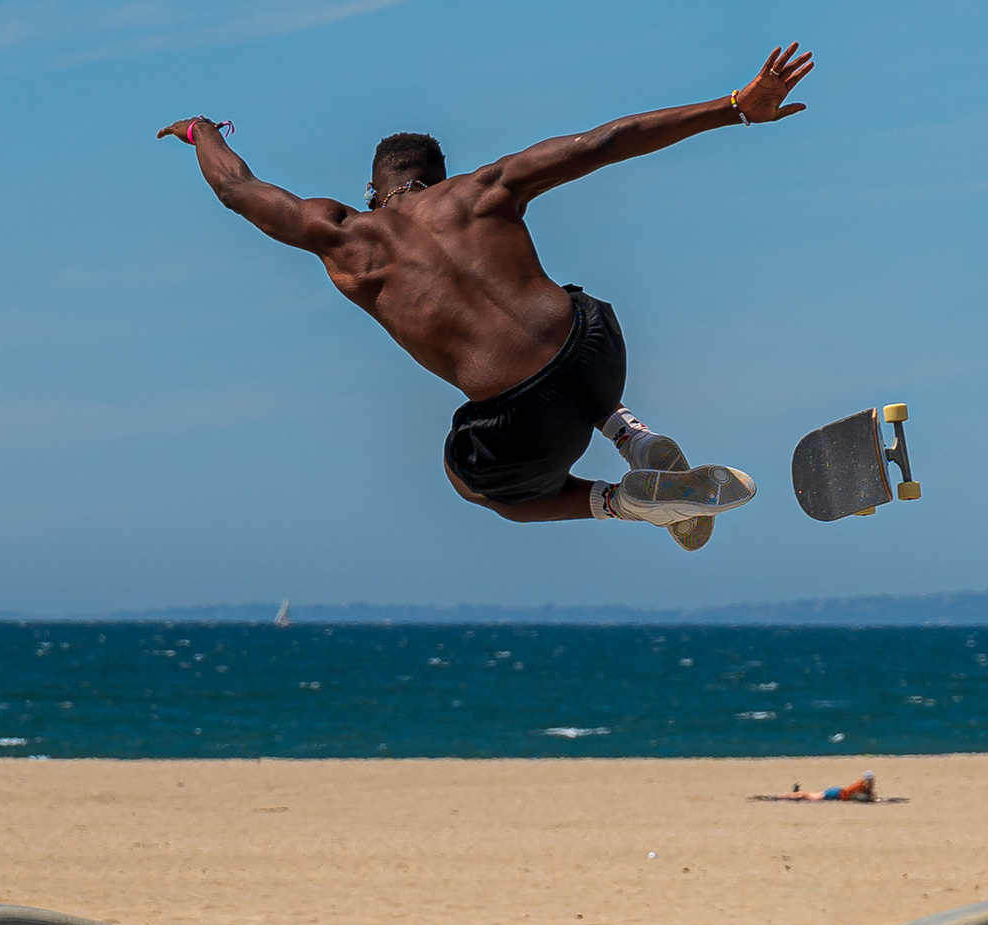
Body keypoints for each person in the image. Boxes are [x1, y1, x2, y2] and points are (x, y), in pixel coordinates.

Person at [157, 44, 814, 552]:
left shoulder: (343, 238)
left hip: (524, 422)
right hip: (595, 347)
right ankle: (634, 437)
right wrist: (734, 106)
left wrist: (202, 130)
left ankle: (630, 501)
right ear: (436, 179)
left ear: (372, 190)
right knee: (559, 329)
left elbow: (238, 190)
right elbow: (603, 141)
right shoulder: (483, 188)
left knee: (473, 484)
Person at [775, 771, 876, 802]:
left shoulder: (864, 785)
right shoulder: (861, 785)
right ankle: (784, 796)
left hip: (837, 792)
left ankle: (792, 794)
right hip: (836, 793)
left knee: (811, 795)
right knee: (810, 796)